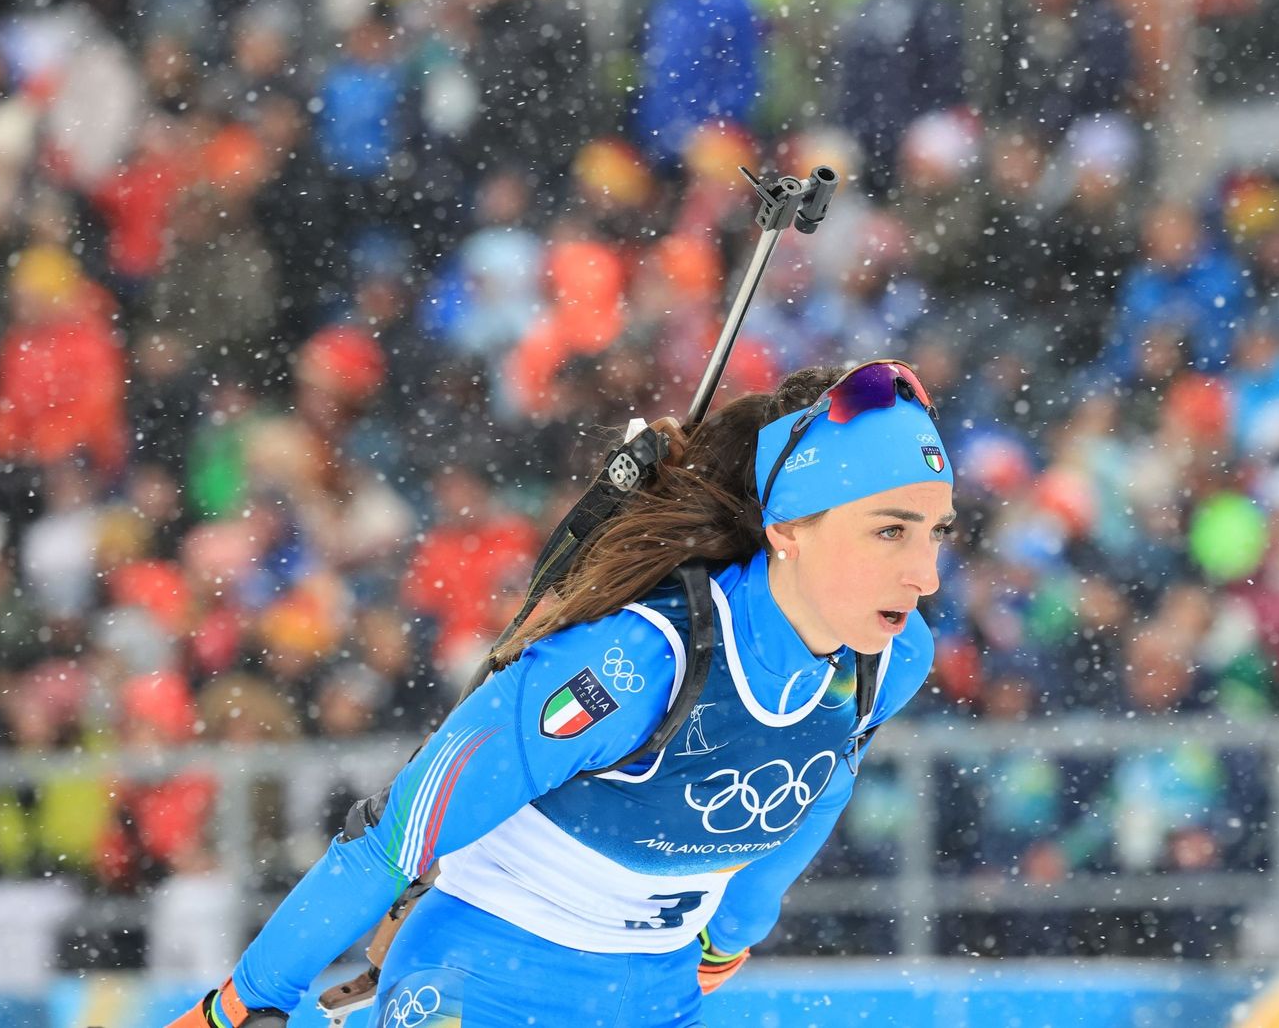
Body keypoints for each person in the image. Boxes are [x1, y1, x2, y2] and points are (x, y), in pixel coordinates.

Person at [169, 359, 957, 1027]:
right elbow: (394, 838)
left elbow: (816, 781)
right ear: (787, 527)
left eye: (938, 533)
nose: (925, 576)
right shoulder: (635, 664)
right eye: (889, 531)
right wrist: (240, 1006)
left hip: (654, 994)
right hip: (482, 982)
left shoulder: (889, 654)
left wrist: (728, 939)